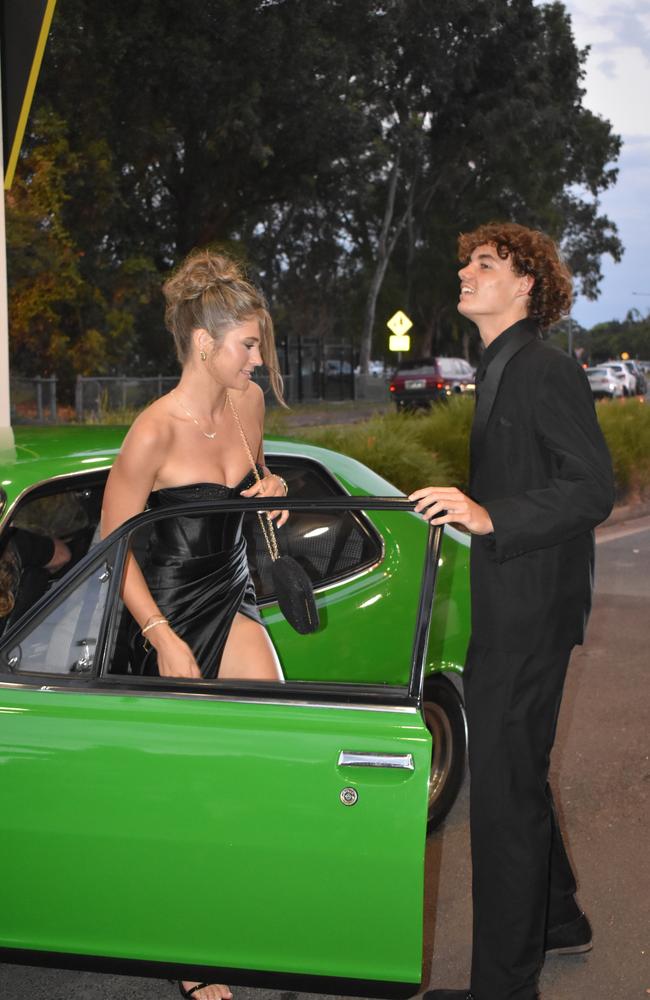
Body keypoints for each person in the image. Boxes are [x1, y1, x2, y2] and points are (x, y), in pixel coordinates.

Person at [410, 222, 615, 1000]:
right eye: (466, 260)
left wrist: (490, 516)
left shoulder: (542, 370)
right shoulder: (500, 367)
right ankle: (559, 921)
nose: (465, 271)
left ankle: (504, 986)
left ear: (525, 283)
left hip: (531, 612)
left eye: (484, 264)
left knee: (501, 793)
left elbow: (590, 488)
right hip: (520, 603)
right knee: (518, 773)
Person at [100, 249, 287, 1000]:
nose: (259, 359)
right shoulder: (153, 431)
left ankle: (236, 906)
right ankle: (190, 949)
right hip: (166, 612)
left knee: (270, 751)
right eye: (249, 345)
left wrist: (266, 487)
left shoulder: (248, 405)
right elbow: (111, 554)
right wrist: (160, 636)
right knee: (190, 787)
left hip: (230, 592)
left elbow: (247, 486)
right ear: (205, 344)